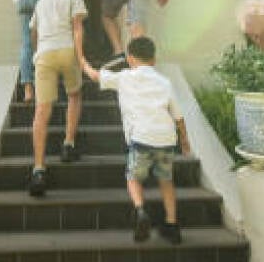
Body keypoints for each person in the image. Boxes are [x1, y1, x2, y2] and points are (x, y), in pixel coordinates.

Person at [80, 36, 191, 245]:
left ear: (130, 59)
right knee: (166, 180)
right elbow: (179, 116)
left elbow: (95, 75)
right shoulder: (164, 82)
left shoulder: (124, 77)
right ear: (154, 60)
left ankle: (140, 211)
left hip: (141, 138)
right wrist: (184, 141)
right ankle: (172, 225)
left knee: (133, 177)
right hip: (166, 139)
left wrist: (83, 62)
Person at [27, 0, 89, 197]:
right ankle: (68, 144)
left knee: (41, 111)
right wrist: (81, 57)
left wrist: (36, 54)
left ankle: (39, 168)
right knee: (74, 95)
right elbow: (77, 28)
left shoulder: (41, 1)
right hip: (67, 51)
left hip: (44, 53)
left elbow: (33, 32)